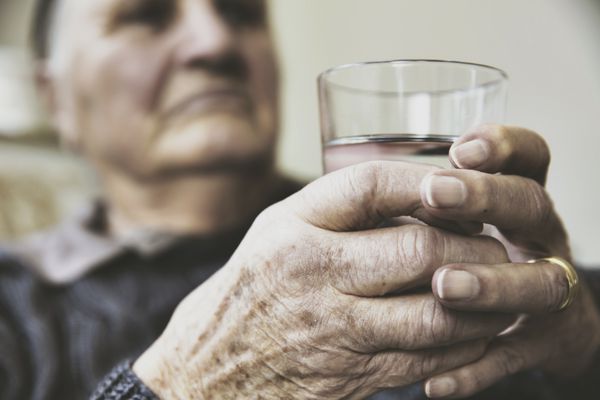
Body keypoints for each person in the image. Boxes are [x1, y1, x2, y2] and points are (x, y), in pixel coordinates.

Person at [0, 0, 598, 398]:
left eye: (240, 13)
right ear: (56, 100)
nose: (215, 43)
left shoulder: (459, 247)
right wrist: (188, 386)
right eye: (147, 15)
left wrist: (585, 349)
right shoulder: (13, 312)